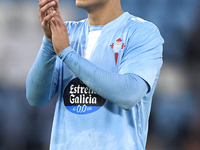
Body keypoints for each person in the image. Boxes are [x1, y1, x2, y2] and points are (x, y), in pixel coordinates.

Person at [26, 0, 164, 149]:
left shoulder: (142, 32)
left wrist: (67, 53)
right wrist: (49, 42)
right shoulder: (67, 32)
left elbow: (129, 94)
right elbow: (35, 97)